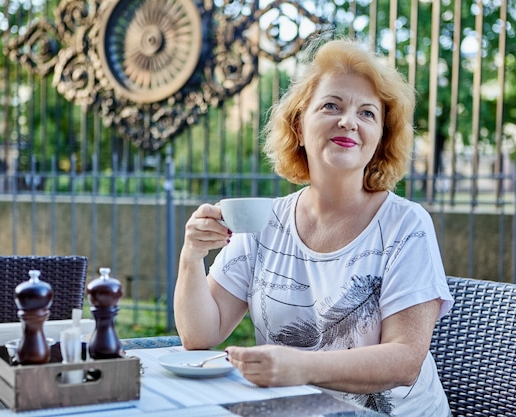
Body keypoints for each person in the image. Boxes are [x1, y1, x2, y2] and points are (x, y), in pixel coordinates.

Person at [174, 36, 454, 416]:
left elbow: (405, 361)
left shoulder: (406, 224)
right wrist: (192, 255)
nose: (348, 121)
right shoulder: (265, 221)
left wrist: (298, 367)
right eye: (331, 105)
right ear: (300, 128)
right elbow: (200, 334)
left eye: (367, 113)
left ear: (380, 140)